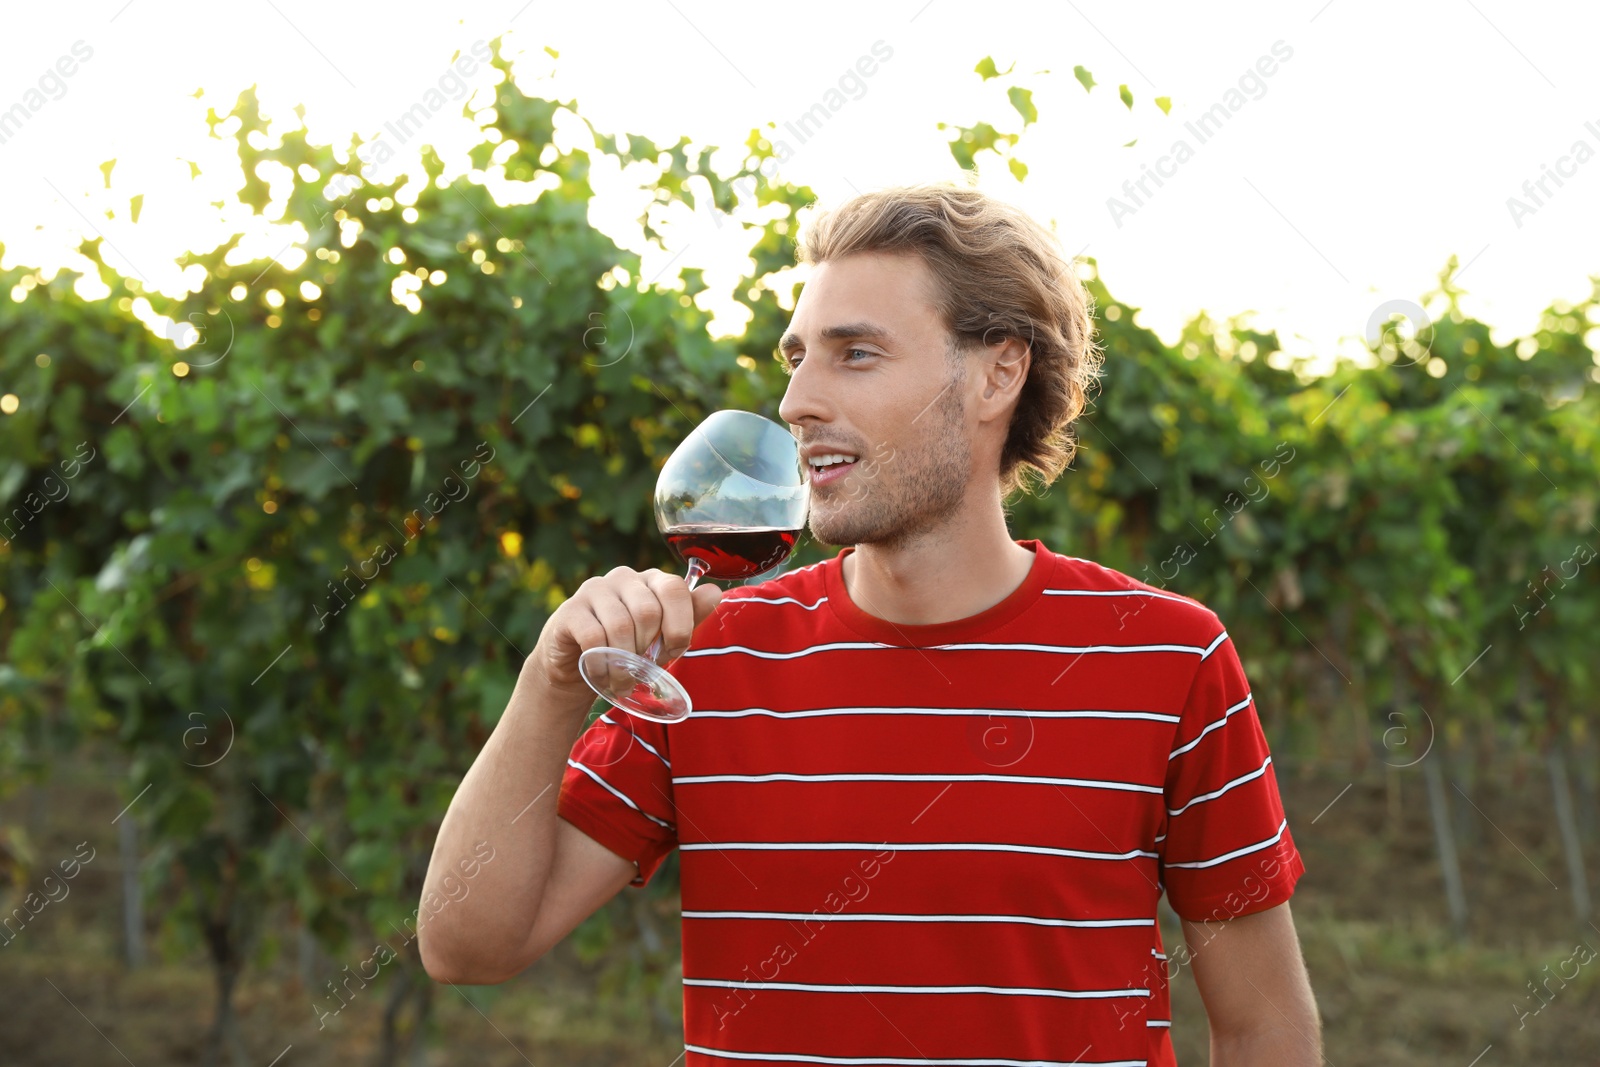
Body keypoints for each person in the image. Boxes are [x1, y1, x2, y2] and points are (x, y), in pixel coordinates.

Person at [417, 183, 1321, 1065]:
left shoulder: (1167, 655)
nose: (796, 402)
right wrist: (548, 679)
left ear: (999, 371)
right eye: (796, 356)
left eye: (854, 353)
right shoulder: (711, 655)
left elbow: (1263, 1028)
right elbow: (467, 946)